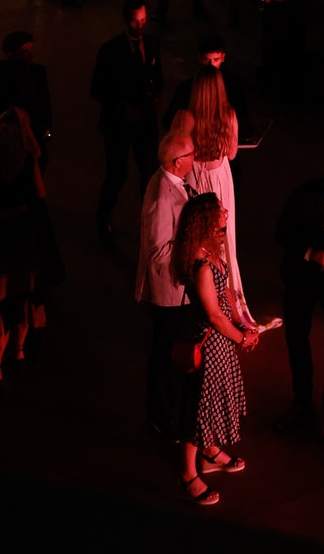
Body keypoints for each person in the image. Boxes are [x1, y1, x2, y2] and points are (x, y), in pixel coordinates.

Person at [171, 191, 258, 503]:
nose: (225, 213)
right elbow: (214, 315)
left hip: (221, 343)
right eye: (220, 211)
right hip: (207, 345)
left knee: (213, 399)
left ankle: (209, 453)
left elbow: (229, 298)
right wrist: (240, 337)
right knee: (199, 408)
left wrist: (245, 325)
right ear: (206, 221)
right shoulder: (201, 265)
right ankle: (187, 474)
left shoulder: (213, 253)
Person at [273, 159, 324, 437]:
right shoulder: (304, 196)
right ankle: (302, 402)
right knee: (296, 337)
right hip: (303, 276)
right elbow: (281, 233)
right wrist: (311, 253)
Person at [0, 108, 61, 364]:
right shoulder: (27, 161)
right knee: (22, 292)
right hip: (23, 232)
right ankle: (18, 349)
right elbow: (40, 194)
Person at [185, 68, 258, 329]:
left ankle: (198, 298)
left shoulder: (188, 117)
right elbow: (232, 154)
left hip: (195, 177)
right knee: (224, 241)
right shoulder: (228, 115)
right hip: (218, 179)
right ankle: (227, 302)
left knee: (196, 236)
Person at [136, 124, 197, 436]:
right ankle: (160, 415)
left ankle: (163, 411)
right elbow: (159, 250)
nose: (194, 157)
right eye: (190, 154)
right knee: (165, 356)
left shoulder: (175, 183)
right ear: (177, 163)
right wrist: (194, 244)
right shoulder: (161, 193)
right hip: (168, 292)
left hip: (176, 291)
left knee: (168, 354)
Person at [91, 0, 164, 245]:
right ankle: (103, 219)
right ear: (126, 21)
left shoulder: (152, 44)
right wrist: (122, 107)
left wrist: (155, 96)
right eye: (135, 21)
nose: (140, 26)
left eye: (143, 20)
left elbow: (157, 77)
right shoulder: (110, 50)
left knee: (149, 173)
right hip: (117, 124)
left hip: (144, 121)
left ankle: (150, 222)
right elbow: (97, 89)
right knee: (117, 173)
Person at [0, 29, 53, 161]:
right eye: (24, 51)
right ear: (10, 54)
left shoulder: (38, 73)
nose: (30, 54)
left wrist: (46, 128)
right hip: (9, 148)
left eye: (31, 49)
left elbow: (45, 103)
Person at [165, 30, 249, 138]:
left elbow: (243, 117)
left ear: (223, 57)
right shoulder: (186, 88)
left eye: (215, 59)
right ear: (199, 58)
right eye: (207, 60)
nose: (211, 65)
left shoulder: (234, 86)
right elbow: (168, 120)